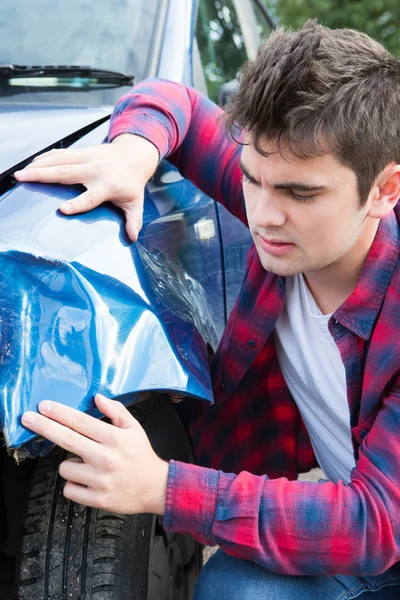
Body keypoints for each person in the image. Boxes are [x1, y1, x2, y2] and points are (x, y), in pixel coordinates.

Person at [16, 20, 400, 599]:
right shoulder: (282, 203)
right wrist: (132, 152)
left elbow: (375, 527)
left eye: (300, 193)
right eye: (251, 179)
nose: (265, 216)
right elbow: (175, 100)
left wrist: (166, 487)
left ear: (383, 190)